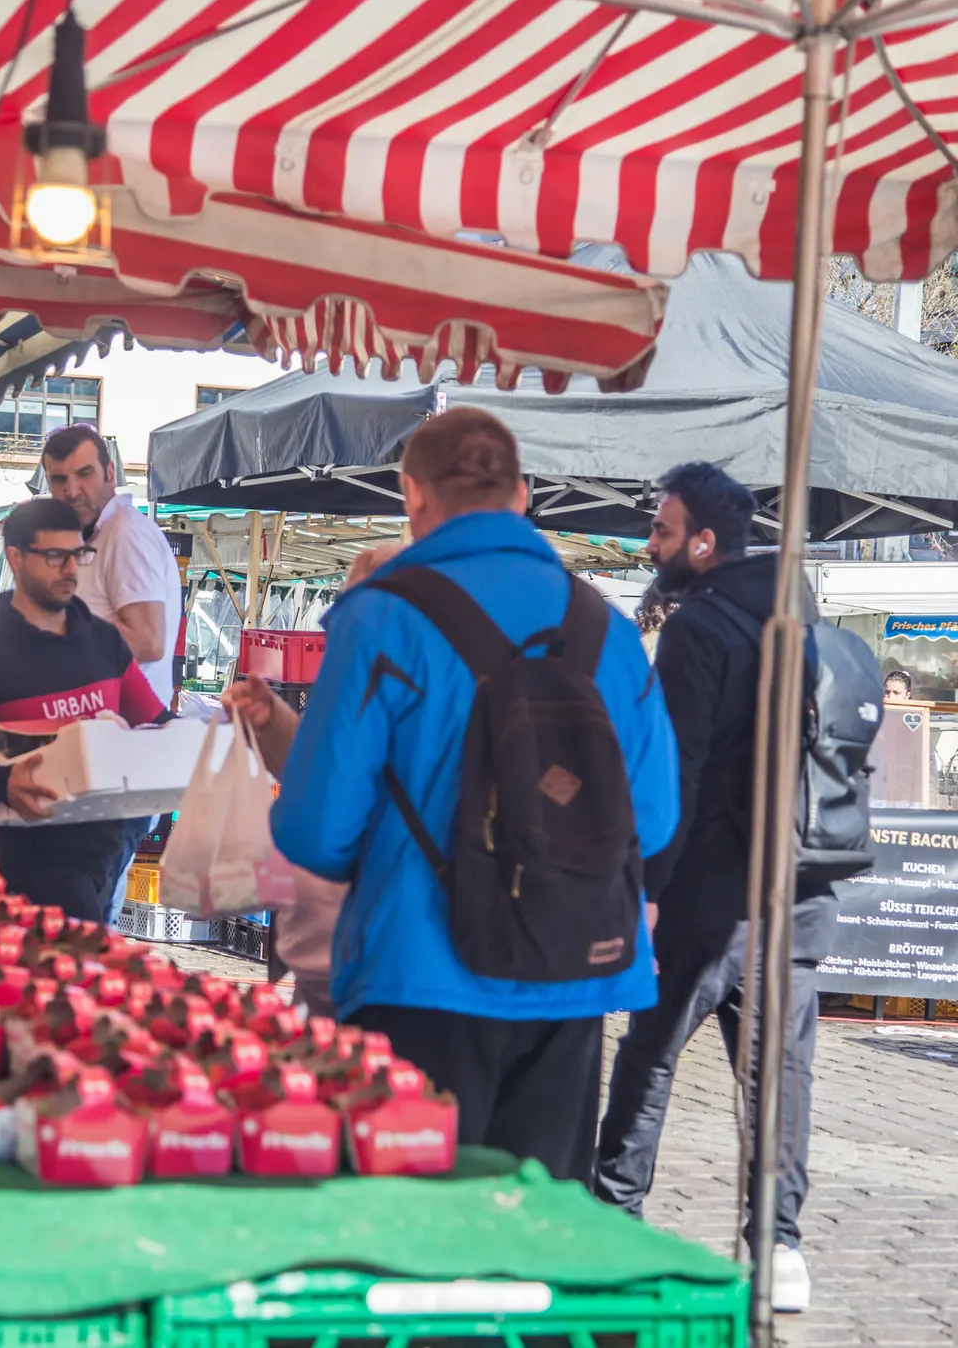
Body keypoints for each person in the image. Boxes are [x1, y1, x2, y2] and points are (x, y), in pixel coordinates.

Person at [222, 408, 677, 1182]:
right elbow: (658, 818)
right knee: (537, 1231)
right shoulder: (606, 627)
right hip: (573, 975)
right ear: (524, 495)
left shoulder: (382, 618)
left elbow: (316, 833)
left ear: (412, 495)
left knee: (413, 1237)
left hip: (417, 976)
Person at [593, 461, 820, 1313]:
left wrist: (647, 887)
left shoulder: (701, 627)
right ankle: (781, 1245)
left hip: (707, 889)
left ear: (705, 542)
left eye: (661, 530)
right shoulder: (801, 612)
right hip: (796, 889)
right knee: (778, 1073)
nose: (651, 544)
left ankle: (615, 1211)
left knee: (649, 1053)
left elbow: (674, 777)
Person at [0, 499, 169, 921]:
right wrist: (4, 782)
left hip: (109, 852)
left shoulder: (104, 643)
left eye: (79, 555)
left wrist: (209, 736)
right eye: (55, 556)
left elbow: (157, 723)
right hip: (37, 867)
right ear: (15, 558)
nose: (71, 569)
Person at [40, 423, 184, 919]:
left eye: (83, 474)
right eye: (59, 478)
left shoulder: (126, 536)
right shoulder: (94, 540)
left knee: (78, 916)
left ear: (109, 472)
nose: (71, 489)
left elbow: (147, 637)